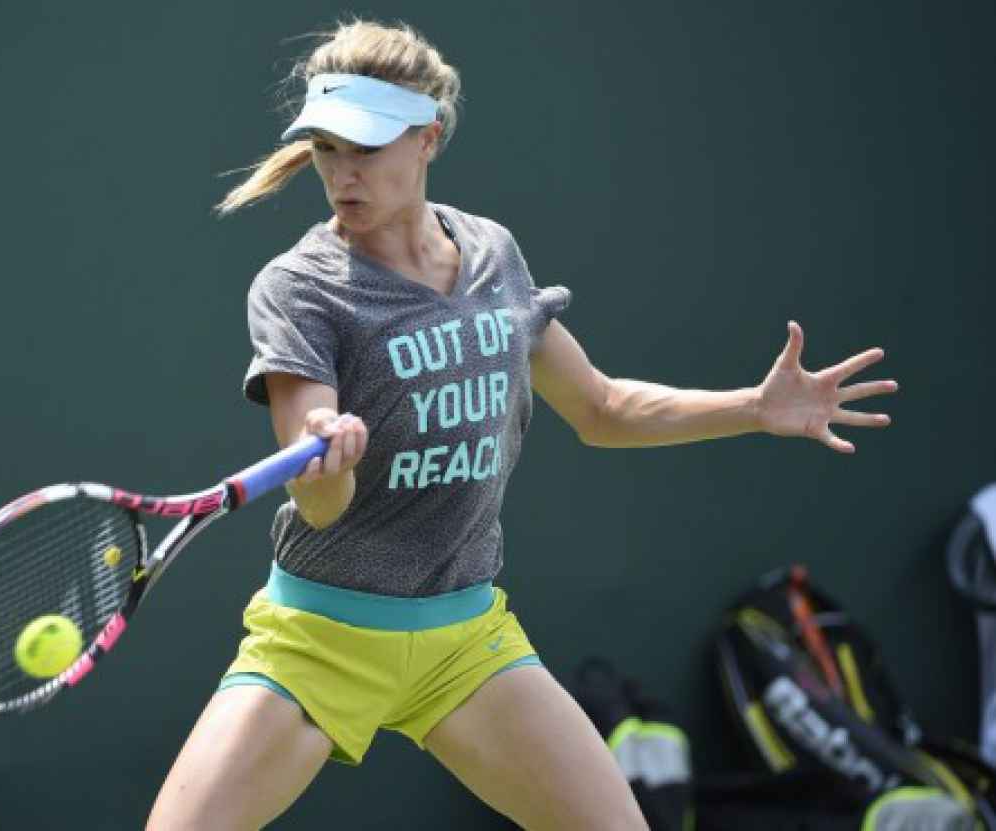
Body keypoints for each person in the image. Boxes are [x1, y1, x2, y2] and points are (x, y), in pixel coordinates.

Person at [145, 18, 898, 831]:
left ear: (428, 137)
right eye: (325, 149)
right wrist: (328, 457)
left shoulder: (494, 256)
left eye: (364, 148)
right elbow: (321, 503)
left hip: (465, 639)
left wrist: (753, 408)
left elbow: (603, 409)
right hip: (321, 639)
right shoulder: (298, 288)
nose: (341, 173)